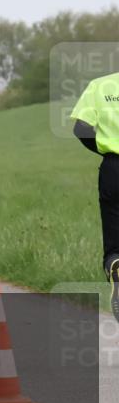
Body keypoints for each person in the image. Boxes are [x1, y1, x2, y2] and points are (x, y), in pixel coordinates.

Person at [72, 72, 119, 321]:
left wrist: (104, 149)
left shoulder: (100, 86)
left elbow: (80, 128)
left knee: (114, 239)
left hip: (114, 169)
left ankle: (116, 263)